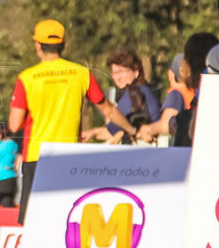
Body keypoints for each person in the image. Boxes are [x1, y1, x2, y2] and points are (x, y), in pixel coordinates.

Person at [8, 19, 134, 224]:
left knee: (33, 221)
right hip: (70, 156)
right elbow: (107, 109)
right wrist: (132, 129)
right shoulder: (81, 73)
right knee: (66, 218)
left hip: (36, 156)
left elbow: (14, 124)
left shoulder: (27, 78)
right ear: (64, 45)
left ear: (37, 46)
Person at [82, 49, 160, 144]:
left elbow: (119, 129)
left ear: (136, 72)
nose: (117, 78)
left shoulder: (133, 93)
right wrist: (93, 132)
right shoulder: (144, 90)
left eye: (121, 72)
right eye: (114, 73)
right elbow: (120, 131)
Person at [137, 54, 192, 144]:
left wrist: (147, 130)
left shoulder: (176, 94)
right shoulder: (197, 92)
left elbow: (165, 125)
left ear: (172, 74)